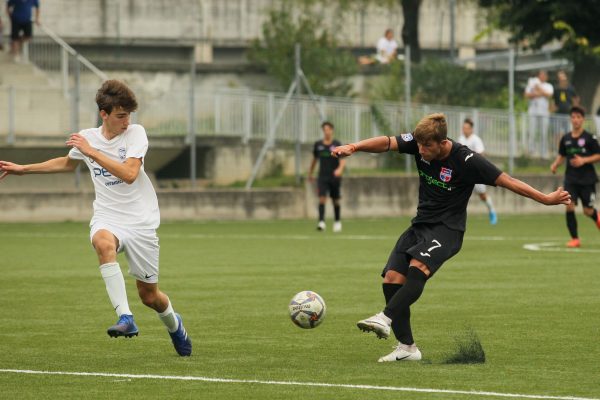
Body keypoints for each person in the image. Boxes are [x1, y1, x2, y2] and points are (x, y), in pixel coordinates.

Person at [332, 113, 570, 362]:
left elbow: (507, 181)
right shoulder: (420, 141)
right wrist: (354, 147)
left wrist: (545, 199)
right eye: (419, 145)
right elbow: (387, 142)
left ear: (442, 142)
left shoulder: (467, 160)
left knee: (417, 268)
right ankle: (407, 348)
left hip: (447, 230)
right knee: (391, 279)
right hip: (420, 225)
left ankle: (385, 318)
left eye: (427, 146)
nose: (421, 150)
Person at [0, 80, 192, 356]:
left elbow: (128, 175)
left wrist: (92, 152)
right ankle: (126, 318)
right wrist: (23, 169)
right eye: (120, 116)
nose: (126, 122)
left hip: (140, 222)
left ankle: (175, 325)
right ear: (104, 113)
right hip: (107, 216)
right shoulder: (88, 136)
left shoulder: (136, 134)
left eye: (128, 116)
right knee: (103, 243)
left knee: (150, 296)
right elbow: (67, 163)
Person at [550, 106, 600, 248]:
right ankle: (575, 239)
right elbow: (562, 155)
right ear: (570, 119)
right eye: (573, 117)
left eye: (579, 117)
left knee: (588, 211)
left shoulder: (590, 138)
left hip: (587, 180)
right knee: (569, 206)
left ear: (583, 119)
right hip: (571, 179)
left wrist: (584, 160)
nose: (576, 120)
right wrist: (555, 164)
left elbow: (598, 155)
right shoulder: (566, 138)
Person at [457, 118, 498, 224]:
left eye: (466, 128)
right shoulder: (460, 139)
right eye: (463, 128)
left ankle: (492, 211)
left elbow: (481, 155)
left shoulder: (476, 140)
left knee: (482, 195)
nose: (464, 130)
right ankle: (455, 216)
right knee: (458, 194)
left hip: (475, 173)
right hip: (463, 173)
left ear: (471, 129)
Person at [308, 121, 345, 232]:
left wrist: (339, 169)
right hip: (322, 176)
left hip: (334, 177)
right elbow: (314, 160)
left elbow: (342, 160)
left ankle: (337, 221)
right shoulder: (318, 145)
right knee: (322, 198)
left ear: (332, 130)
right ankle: (321, 222)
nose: (326, 131)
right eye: (324, 130)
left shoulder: (337, 144)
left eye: (328, 129)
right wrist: (310, 173)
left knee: (335, 200)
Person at [525, 70, 553, 157]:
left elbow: (549, 95)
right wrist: (539, 93)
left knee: (543, 133)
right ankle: (531, 151)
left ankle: (543, 152)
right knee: (532, 132)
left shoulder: (549, 85)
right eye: (541, 75)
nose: (542, 76)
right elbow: (527, 95)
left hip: (544, 113)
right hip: (533, 112)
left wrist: (538, 88)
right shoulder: (532, 83)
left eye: (544, 75)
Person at [551, 70, 579, 136]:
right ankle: (558, 146)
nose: (562, 80)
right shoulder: (556, 89)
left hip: (568, 114)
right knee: (557, 132)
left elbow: (576, 99)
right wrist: (553, 109)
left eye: (563, 78)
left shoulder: (570, 88)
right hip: (558, 114)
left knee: (568, 132)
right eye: (560, 78)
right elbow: (552, 100)